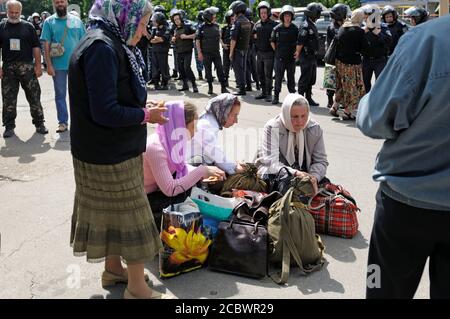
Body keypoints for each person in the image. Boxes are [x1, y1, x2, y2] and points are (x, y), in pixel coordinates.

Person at [68, 0, 172, 299]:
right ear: (125, 18)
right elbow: (105, 111)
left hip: (99, 149)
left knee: (111, 215)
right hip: (109, 152)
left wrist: (141, 106)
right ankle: (137, 289)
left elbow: (111, 95)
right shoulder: (102, 47)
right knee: (132, 217)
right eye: (141, 23)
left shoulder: (105, 39)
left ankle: (114, 269)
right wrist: (144, 115)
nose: (144, 31)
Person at [357, 15, 450, 299]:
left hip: (405, 205)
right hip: (408, 204)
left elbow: (373, 119)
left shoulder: (426, 40)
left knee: (383, 291)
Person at [144, 101, 225, 228]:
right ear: (180, 126)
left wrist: (202, 173)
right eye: (193, 126)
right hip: (147, 198)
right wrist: (201, 171)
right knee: (188, 194)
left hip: (159, 188)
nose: (196, 130)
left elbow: (181, 167)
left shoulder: (170, 140)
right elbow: (170, 189)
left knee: (199, 162)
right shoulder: (155, 148)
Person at [255, 93, 328, 193]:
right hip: (276, 173)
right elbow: (271, 163)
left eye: (303, 116)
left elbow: (321, 161)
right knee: (287, 190)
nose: (300, 121)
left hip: (304, 174)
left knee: (328, 189)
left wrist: (314, 178)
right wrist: (295, 173)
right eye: (294, 116)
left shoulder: (314, 128)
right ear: (286, 114)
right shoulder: (272, 127)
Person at [0, 0, 48, 138]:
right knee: (8, 99)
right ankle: (9, 126)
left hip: (27, 67)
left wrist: (38, 66)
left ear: (20, 12)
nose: (14, 15)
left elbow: (36, 47)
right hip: (8, 68)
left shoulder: (28, 27)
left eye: (17, 12)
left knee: (34, 96)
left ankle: (40, 123)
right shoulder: (1, 27)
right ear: (7, 11)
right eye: (11, 12)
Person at [41, 0, 86, 133]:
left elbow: (84, 41)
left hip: (76, 64)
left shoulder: (77, 21)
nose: (60, 3)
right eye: (57, 2)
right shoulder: (49, 22)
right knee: (60, 94)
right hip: (58, 65)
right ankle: (62, 122)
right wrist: (48, 65)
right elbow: (46, 45)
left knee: (77, 94)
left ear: (66, 2)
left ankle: (79, 121)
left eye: (62, 1)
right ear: (54, 4)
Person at [186, 93, 244, 176]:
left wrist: (233, 165)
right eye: (234, 115)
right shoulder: (205, 125)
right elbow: (216, 154)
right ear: (224, 111)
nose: (236, 121)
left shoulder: (210, 122)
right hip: (187, 169)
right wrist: (235, 167)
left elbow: (216, 153)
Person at [329, 9, 366, 120]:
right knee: (351, 88)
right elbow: (363, 48)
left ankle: (335, 107)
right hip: (351, 64)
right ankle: (347, 112)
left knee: (340, 86)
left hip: (339, 62)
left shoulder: (343, 28)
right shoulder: (359, 31)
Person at [196, 7, 228, 95]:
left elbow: (219, 37)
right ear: (209, 17)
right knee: (208, 71)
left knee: (220, 70)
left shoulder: (217, 26)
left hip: (216, 52)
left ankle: (223, 87)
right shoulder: (201, 27)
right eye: (214, 15)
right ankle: (210, 88)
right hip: (206, 53)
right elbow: (197, 40)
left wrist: (222, 44)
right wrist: (199, 53)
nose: (215, 16)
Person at [270, 5, 298, 105]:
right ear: (282, 16)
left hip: (291, 59)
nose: (287, 17)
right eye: (285, 15)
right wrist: (277, 51)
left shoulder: (295, 29)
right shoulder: (277, 29)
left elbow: (298, 43)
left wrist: (296, 52)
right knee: (278, 78)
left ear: (291, 17)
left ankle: (293, 97)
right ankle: (276, 96)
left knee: (291, 78)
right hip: (279, 58)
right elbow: (272, 41)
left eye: (289, 15)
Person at [360, 4, 391, 93]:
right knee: (365, 83)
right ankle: (365, 104)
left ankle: (379, 103)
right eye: (365, 17)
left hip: (380, 60)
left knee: (381, 84)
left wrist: (377, 33)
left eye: (367, 16)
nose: (365, 19)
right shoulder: (363, 27)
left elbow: (388, 41)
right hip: (366, 60)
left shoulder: (382, 26)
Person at [296, 2, 322, 106]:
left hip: (312, 57)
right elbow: (300, 42)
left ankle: (308, 98)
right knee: (304, 78)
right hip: (306, 57)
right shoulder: (305, 26)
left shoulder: (312, 24)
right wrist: (297, 53)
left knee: (311, 78)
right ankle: (300, 99)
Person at [325, 3, 349, 108]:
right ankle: (330, 100)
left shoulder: (344, 25)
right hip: (333, 57)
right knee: (331, 81)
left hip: (342, 57)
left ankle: (340, 101)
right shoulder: (333, 27)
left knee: (342, 81)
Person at [253, 1, 277, 102]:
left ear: (268, 13)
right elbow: (254, 37)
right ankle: (263, 92)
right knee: (260, 74)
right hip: (260, 53)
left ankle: (269, 94)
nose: (263, 14)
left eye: (265, 12)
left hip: (269, 53)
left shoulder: (274, 25)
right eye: (261, 13)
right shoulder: (257, 25)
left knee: (268, 75)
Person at [171, 9, 198, 93]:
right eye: (175, 20)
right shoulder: (174, 28)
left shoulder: (188, 25)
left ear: (181, 18)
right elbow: (172, 39)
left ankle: (194, 84)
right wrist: (173, 39)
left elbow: (196, 34)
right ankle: (185, 85)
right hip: (179, 51)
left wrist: (186, 36)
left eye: (178, 19)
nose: (176, 21)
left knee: (187, 67)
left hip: (187, 51)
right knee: (181, 68)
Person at [229, 0, 252, 96]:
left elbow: (233, 39)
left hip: (238, 50)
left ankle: (242, 90)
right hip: (245, 49)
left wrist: (231, 53)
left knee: (238, 70)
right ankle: (247, 86)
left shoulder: (238, 22)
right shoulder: (247, 21)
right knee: (244, 68)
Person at [149, 11, 170, 90]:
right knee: (155, 68)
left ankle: (165, 84)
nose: (153, 22)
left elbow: (163, 39)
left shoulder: (166, 29)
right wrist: (157, 39)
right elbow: (151, 40)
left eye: (155, 21)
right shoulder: (154, 29)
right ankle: (156, 83)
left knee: (163, 68)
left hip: (163, 52)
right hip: (155, 51)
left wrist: (157, 39)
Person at [244, 8, 259, 92]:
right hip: (253, 47)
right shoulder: (254, 24)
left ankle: (249, 85)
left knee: (247, 67)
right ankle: (257, 84)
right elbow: (256, 38)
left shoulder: (244, 24)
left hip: (247, 47)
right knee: (254, 67)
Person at [221, 10, 234, 88]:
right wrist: (223, 45)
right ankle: (225, 80)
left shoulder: (237, 27)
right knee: (226, 66)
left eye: (233, 18)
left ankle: (239, 82)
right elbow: (220, 38)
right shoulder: (224, 28)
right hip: (226, 49)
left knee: (236, 66)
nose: (233, 19)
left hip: (234, 49)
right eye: (231, 18)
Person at [193, 10, 204, 80]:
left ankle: (200, 74)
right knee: (206, 58)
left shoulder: (195, 25)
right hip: (204, 43)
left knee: (198, 59)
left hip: (196, 43)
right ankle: (208, 74)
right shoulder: (205, 25)